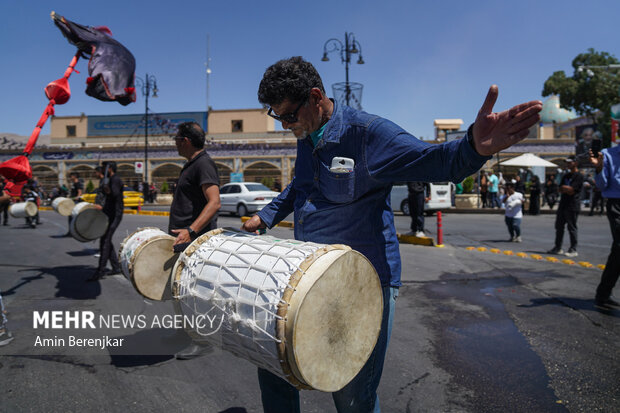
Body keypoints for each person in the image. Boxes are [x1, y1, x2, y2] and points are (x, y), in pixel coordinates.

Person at [242, 56, 542, 413]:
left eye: (289, 116)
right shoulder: (307, 134)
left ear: (316, 97)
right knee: (276, 365)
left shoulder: (369, 135)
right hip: (310, 278)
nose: (285, 125)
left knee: (352, 395)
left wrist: (473, 148)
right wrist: (266, 215)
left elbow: (436, 161)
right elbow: (302, 185)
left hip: (362, 285)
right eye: (278, 117)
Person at [169, 121, 221, 360]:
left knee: (192, 292)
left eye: (177, 139)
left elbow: (214, 202)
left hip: (194, 240)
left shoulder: (204, 164)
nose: (175, 143)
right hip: (184, 238)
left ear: (186, 141)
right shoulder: (192, 165)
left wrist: (190, 230)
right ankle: (186, 333)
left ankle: (202, 340)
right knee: (180, 290)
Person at [591, 147, 620, 307]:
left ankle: (603, 293)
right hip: (617, 203)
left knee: (617, 251)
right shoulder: (607, 155)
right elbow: (602, 185)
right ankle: (603, 293)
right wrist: (599, 167)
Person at [88, 162, 124, 281]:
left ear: (109, 169)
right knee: (106, 239)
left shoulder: (116, 179)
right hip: (109, 213)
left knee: (105, 241)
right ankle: (115, 267)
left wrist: (107, 189)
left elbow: (115, 194)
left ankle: (100, 271)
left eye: (104, 168)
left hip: (115, 214)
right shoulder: (109, 179)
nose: (102, 170)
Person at [547, 157, 583, 257]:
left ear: (575, 163)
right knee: (559, 226)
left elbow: (572, 190)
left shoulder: (579, 176)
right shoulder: (566, 175)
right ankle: (557, 247)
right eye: (567, 163)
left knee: (571, 227)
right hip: (563, 204)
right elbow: (560, 189)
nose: (568, 165)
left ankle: (573, 249)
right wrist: (565, 189)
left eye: (569, 163)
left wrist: (566, 189)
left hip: (572, 204)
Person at [64, 172, 83, 236]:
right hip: (72, 201)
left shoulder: (78, 183)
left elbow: (79, 192)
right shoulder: (74, 184)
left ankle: (74, 232)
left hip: (75, 202)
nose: (70, 177)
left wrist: (76, 198)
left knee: (73, 217)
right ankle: (71, 232)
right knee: (70, 217)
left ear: (75, 176)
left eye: (71, 176)